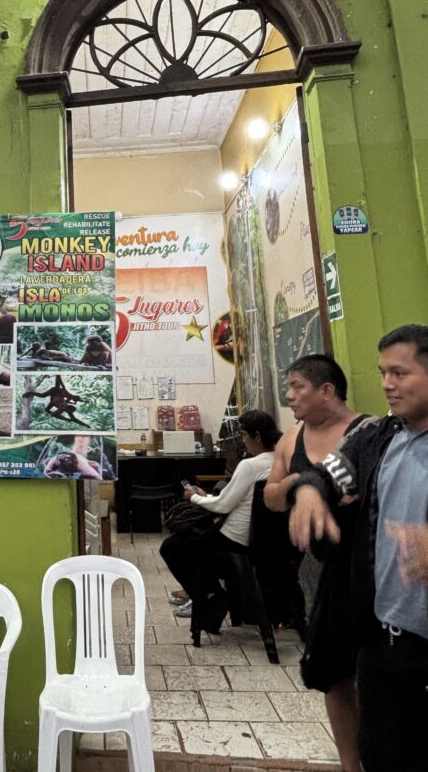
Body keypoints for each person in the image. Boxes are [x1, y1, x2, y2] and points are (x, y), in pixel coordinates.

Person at [289, 325, 428, 772]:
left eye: (399, 373)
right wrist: (309, 492)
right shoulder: (380, 437)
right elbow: (328, 472)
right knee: (382, 752)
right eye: (383, 372)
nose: (387, 384)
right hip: (385, 635)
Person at [264, 354, 364, 772]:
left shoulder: (366, 434)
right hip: (317, 567)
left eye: (297, 387)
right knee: (333, 671)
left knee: (372, 670)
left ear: (327, 390)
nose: (289, 396)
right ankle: (350, 763)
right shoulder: (292, 438)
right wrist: (297, 485)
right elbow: (270, 497)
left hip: (365, 567)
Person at [160, 409, 280, 628]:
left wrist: (194, 497)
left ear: (257, 437)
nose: (243, 441)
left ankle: (210, 596)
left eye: (244, 435)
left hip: (234, 539)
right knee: (189, 542)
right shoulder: (279, 461)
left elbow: (223, 505)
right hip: (262, 541)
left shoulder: (250, 465)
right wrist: (207, 497)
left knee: (172, 547)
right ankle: (210, 595)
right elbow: (232, 500)